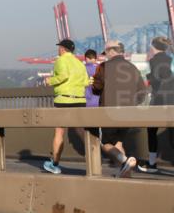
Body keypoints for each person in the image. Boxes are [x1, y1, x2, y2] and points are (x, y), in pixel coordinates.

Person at [91, 41, 148, 178]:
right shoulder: (133, 67)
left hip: (109, 113)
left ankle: (124, 160)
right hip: (128, 113)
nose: (106, 56)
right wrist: (132, 104)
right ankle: (125, 174)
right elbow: (142, 91)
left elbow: (96, 88)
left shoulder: (104, 67)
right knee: (118, 142)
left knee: (105, 143)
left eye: (107, 53)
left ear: (111, 51)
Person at [42, 39, 89, 175]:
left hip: (64, 100)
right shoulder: (80, 63)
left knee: (59, 132)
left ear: (62, 49)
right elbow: (86, 82)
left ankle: (54, 164)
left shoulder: (60, 60)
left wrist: (49, 81)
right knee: (82, 132)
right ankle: (94, 159)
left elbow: (63, 76)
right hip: (80, 100)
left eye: (59, 48)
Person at [141, 36, 174, 173]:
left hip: (160, 100)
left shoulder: (154, 60)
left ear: (153, 47)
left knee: (152, 130)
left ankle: (152, 163)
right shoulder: (170, 58)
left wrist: (148, 78)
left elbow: (157, 79)